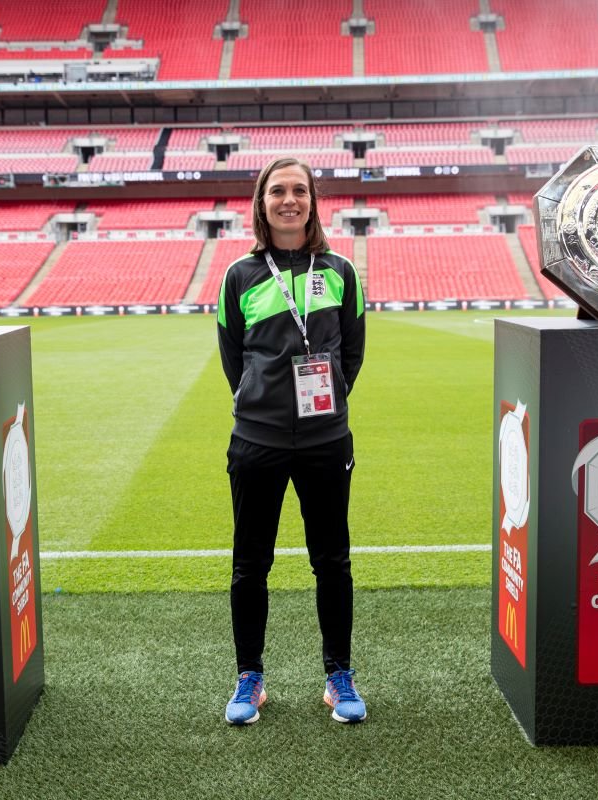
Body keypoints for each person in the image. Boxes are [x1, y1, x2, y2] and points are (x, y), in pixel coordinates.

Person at [216, 157, 367, 725]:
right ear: (262, 202)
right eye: (278, 190)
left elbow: (352, 352)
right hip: (257, 440)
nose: (289, 200)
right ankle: (249, 678)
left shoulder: (341, 271)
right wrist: (262, 400)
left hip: (327, 439)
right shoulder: (240, 276)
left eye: (299, 190)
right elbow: (234, 358)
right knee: (250, 565)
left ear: (312, 200)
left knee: (333, 562)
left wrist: (323, 403)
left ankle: (338, 675)